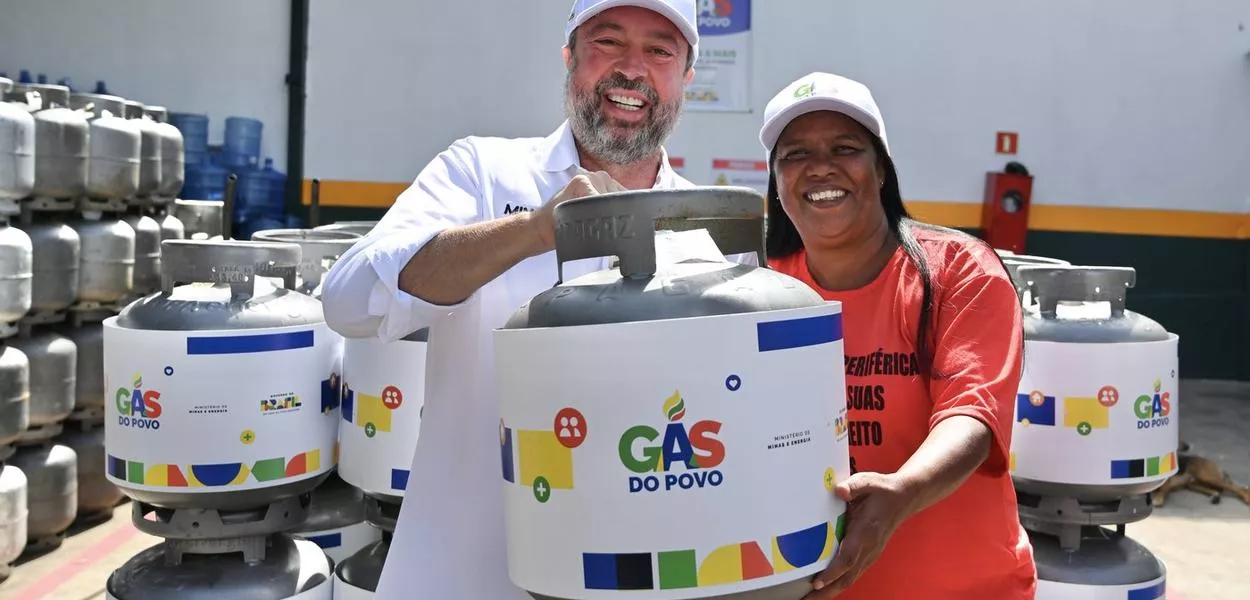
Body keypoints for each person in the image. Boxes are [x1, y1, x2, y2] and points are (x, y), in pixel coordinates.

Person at [319, 1, 756, 598]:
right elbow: (348, 302)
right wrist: (534, 230)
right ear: (569, 57)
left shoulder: (708, 234)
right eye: (608, 41)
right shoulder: (481, 173)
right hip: (462, 576)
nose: (632, 69)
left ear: (686, 79)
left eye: (660, 50)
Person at [757, 72, 1037, 599]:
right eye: (795, 154)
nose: (821, 166)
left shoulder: (959, 270)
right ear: (776, 180)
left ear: (881, 168)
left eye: (845, 148)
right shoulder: (762, 290)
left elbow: (973, 415)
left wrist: (901, 491)